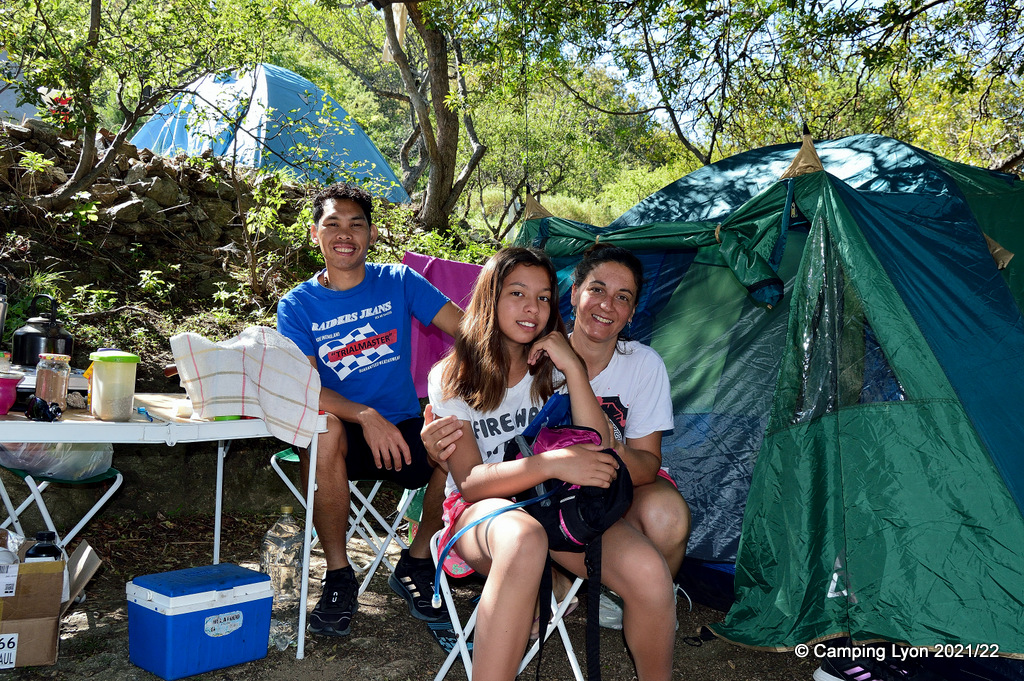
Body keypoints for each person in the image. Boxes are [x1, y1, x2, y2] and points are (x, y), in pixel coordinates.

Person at [427, 246, 675, 681]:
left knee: (649, 572)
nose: (532, 307)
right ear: (490, 297)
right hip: (484, 511)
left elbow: (599, 447)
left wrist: (575, 371)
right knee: (522, 538)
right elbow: (470, 484)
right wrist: (552, 464)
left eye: (543, 297)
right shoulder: (455, 376)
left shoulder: (552, 367)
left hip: (555, 505)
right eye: (517, 293)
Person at [277, 183, 462, 637]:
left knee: (455, 433)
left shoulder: (398, 281)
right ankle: (339, 575)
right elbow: (305, 386)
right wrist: (363, 414)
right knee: (323, 430)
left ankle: (417, 560)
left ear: (372, 234)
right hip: (342, 434)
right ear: (315, 234)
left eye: (356, 224)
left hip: (404, 428)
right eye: (333, 224)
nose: (345, 234)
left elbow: (467, 329)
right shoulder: (297, 305)